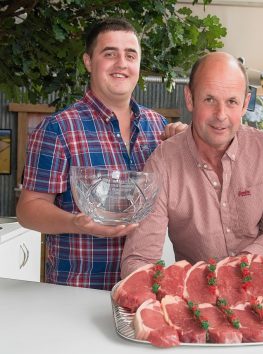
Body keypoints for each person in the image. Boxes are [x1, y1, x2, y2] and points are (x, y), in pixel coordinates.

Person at [16, 18, 185, 290]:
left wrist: (186, 143)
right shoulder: (59, 128)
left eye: (130, 55)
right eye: (110, 54)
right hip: (78, 290)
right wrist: (78, 224)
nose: (121, 63)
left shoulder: (159, 127)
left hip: (144, 289)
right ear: (88, 61)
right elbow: (28, 209)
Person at [121, 52, 263, 277]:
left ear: (245, 104)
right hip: (194, 300)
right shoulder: (162, 163)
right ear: (190, 99)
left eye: (231, 102)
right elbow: (139, 258)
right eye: (209, 100)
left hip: (258, 286)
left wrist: (241, 264)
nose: (220, 115)